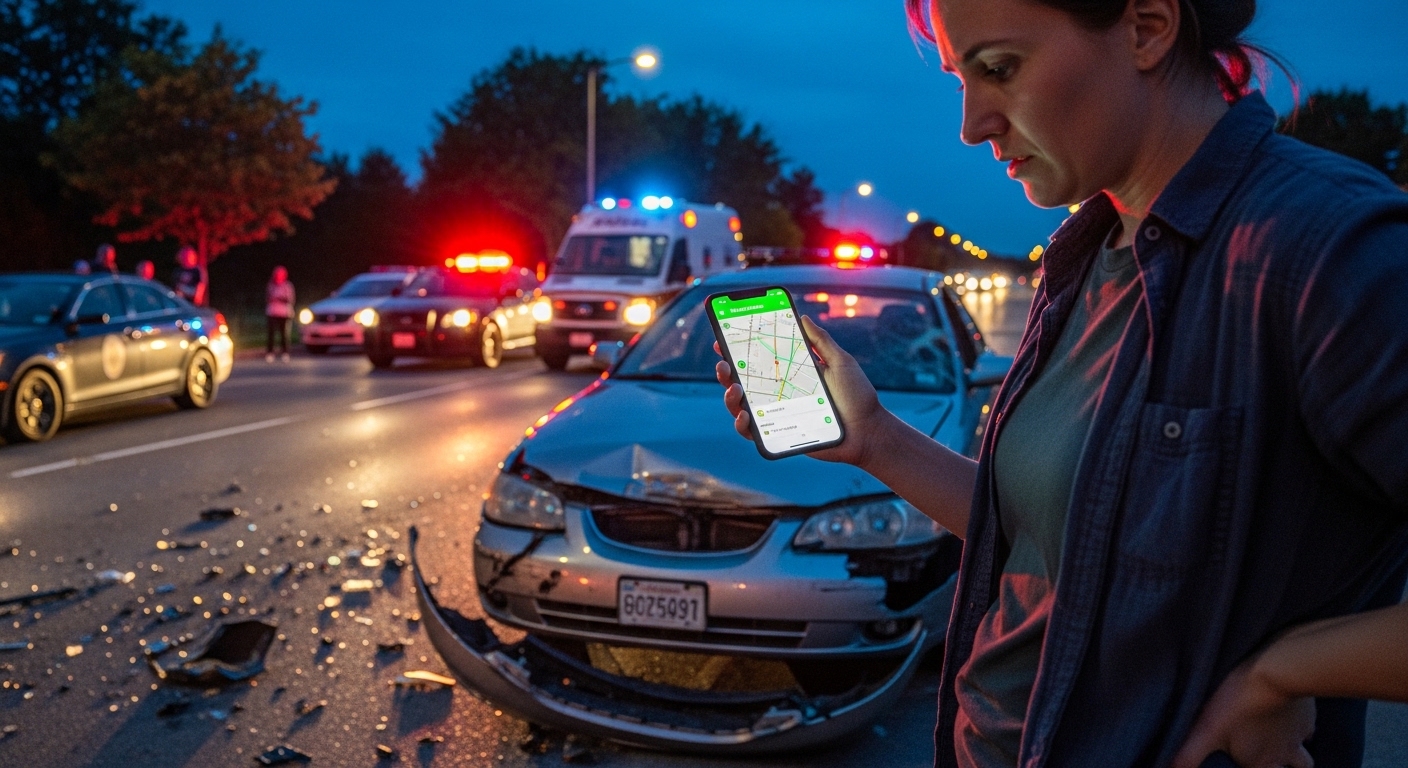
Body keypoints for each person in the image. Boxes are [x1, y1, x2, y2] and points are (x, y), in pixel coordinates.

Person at [715, 0, 1408, 766]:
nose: (972, 124)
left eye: (1000, 69)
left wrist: (1286, 673)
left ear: (1146, 26)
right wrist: (874, 439)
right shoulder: (1088, 256)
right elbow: (1061, 542)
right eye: (959, 81)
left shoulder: (1328, 250)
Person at [265, 265, 295, 363]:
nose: (279, 276)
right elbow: (268, 298)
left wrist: (279, 298)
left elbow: (290, 299)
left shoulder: (287, 285)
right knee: (271, 333)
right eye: (277, 274)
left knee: (284, 334)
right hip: (272, 312)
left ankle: (285, 353)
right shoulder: (271, 286)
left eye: (281, 274)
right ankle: (270, 353)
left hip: (284, 313)